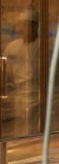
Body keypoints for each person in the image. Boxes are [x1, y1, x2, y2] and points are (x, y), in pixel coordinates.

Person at [1, 9, 39, 137]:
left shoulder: (45, 45)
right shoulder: (12, 47)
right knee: (21, 129)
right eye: (20, 25)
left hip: (40, 94)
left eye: (25, 25)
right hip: (20, 94)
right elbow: (5, 72)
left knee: (37, 129)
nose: (20, 29)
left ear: (35, 26)